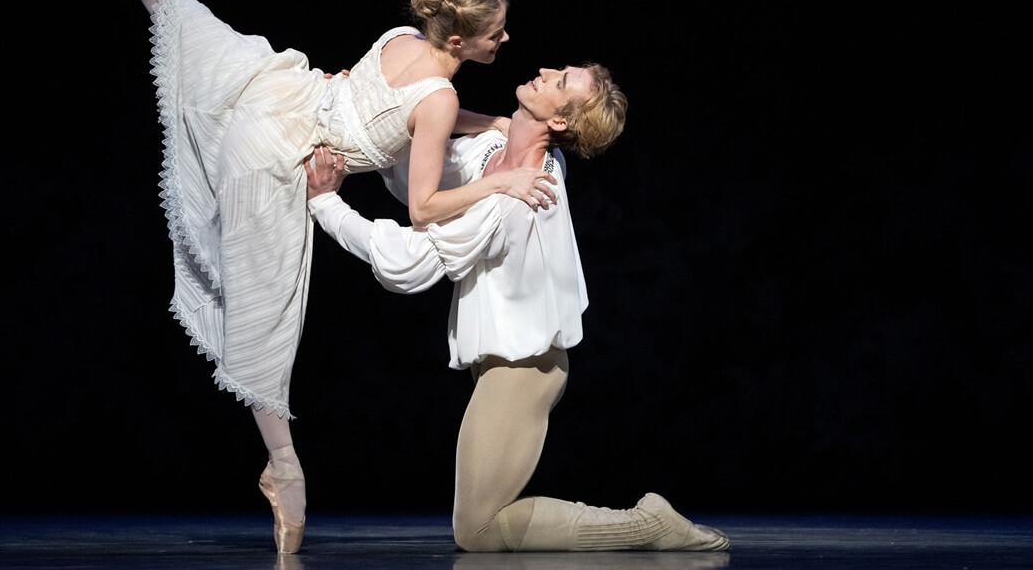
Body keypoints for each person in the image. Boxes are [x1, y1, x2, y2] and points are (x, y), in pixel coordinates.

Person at [19, 0, 562, 554]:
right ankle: (284, 469)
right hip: (287, 157)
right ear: (464, 40)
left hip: (280, 90)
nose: (508, 40)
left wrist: (487, 122)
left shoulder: (405, 37)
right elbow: (426, 203)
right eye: (498, 33)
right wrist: (497, 181)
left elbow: (402, 106)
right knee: (265, 322)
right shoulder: (439, 101)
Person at [303, 63, 731, 552]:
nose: (545, 71)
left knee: (477, 530)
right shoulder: (494, 156)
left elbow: (411, 259)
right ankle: (648, 525)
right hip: (503, 363)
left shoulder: (524, 194)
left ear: (561, 122)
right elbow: (418, 170)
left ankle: (648, 524)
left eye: (561, 82)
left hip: (524, 369)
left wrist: (325, 203)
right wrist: (365, 113)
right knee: (479, 525)